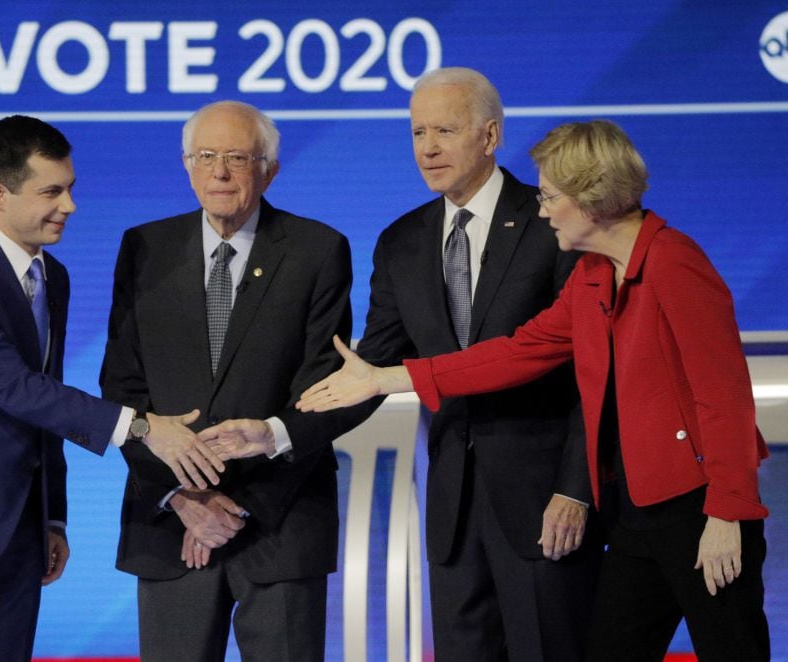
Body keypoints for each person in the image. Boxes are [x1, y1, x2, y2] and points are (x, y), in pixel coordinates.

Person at [299, 119, 771, 662]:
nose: (541, 209)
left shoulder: (675, 263)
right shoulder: (593, 275)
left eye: (549, 196)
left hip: (700, 507)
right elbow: (516, 352)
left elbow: (725, 396)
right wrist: (388, 377)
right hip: (636, 511)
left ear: (591, 198)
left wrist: (727, 513)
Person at [208, 67, 599, 662]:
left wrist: (577, 488)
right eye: (418, 133)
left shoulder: (552, 223)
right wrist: (277, 431)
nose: (429, 148)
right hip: (452, 506)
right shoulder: (403, 241)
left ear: (490, 136)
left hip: (545, 501)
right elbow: (370, 371)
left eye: (445, 129)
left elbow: (587, 371)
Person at [0, 115, 224, 662]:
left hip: (15, 531)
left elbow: (45, 403)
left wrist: (51, 517)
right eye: (51, 192)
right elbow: (17, 389)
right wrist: (143, 427)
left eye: (70, 188)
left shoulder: (51, 276)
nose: (70, 206)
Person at [99, 100, 356, 662]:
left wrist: (239, 508)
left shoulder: (317, 251)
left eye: (237, 158)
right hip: (171, 525)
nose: (219, 172)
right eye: (206, 156)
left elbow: (322, 388)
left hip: (281, 524)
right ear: (187, 166)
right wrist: (184, 497)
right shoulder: (144, 248)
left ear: (269, 171)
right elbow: (122, 388)